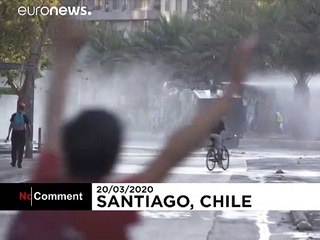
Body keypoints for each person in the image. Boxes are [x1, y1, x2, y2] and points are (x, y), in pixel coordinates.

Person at [7, 18, 257, 240]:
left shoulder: (45, 183)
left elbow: (53, 117)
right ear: (113, 158)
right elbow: (172, 153)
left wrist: (64, 54)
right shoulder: (110, 208)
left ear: (67, 145)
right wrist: (233, 88)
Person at [5, 102, 31, 168]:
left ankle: (13, 162)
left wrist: (8, 135)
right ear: (24, 109)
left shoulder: (14, 115)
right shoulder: (25, 116)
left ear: (18, 108)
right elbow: (28, 126)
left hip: (15, 133)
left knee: (14, 148)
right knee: (21, 149)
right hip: (22, 133)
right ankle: (19, 163)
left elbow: (11, 125)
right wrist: (29, 134)